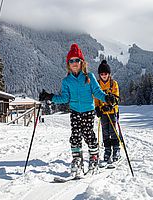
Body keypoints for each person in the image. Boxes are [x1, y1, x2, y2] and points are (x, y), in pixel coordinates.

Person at [39, 44, 116, 174]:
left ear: (82, 62)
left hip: (88, 111)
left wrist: (107, 98)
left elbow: (97, 92)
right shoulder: (66, 81)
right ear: (68, 64)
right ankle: (77, 160)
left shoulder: (89, 77)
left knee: (88, 133)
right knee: (75, 135)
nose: (74, 63)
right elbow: (65, 98)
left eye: (77, 60)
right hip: (75, 111)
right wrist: (50, 97)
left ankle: (94, 157)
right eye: (71, 61)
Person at [94, 60, 120, 164]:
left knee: (112, 131)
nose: (104, 76)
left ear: (109, 74)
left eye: (106, 74)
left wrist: (110, 106)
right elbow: (96, 97)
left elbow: (116, 98)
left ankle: (116, 149)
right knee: (105, 131)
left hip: (112, 111)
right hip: (103, 113)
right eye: (102, 74)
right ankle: (107, 150)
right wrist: (97, 108)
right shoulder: (97, 84)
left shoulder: (113, 83)